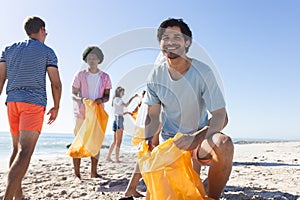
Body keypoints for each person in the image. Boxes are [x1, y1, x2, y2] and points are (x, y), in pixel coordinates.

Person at [125, 18, 234, 199]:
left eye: (177, 37)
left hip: (199, 140)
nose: (171, 42)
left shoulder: (203, 72)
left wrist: (196, 137)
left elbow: (221, 116)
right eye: (165, 38)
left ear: (187, 42)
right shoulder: (155, 76)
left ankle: (213, 196)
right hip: (170, 143)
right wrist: (149, 141)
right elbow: (152, 116)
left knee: (224, 144)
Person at [0, 16, 62, 200]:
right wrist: (56, 106)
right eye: (46, 33)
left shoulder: (8, 50)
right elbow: (56, 83)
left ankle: (18, 195)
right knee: (25, 151)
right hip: (33, 103)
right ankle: (8, 197)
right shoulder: (47, 51)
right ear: (42, 30)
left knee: (16, 149)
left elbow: (1, 79)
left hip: (12, 102)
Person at [71, 46, 112, 179]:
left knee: (96, 142)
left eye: (94, 58)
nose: (92, 60)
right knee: (79, 141)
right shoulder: (80, 75)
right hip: (81, 113)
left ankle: (93, 172)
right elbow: (73, 95)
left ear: (99, 59)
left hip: (97, 114)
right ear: (86, 60)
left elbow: (107, 96)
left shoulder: (105, 77)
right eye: (89, 58)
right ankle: (77, 174)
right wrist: (82, 100)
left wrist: (101, 100)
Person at [106, 86, 138, 162]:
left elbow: (119, 111)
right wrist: (133, 97)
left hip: (116, 119)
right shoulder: (118, 99)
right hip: (119, 120)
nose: (123, 93)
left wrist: (127, 113)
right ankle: (117, 159)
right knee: (119, 141)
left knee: (115, 141)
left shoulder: (115, 100)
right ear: (119, 92)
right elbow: (126, 105)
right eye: (122, 92)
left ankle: (109, 157)